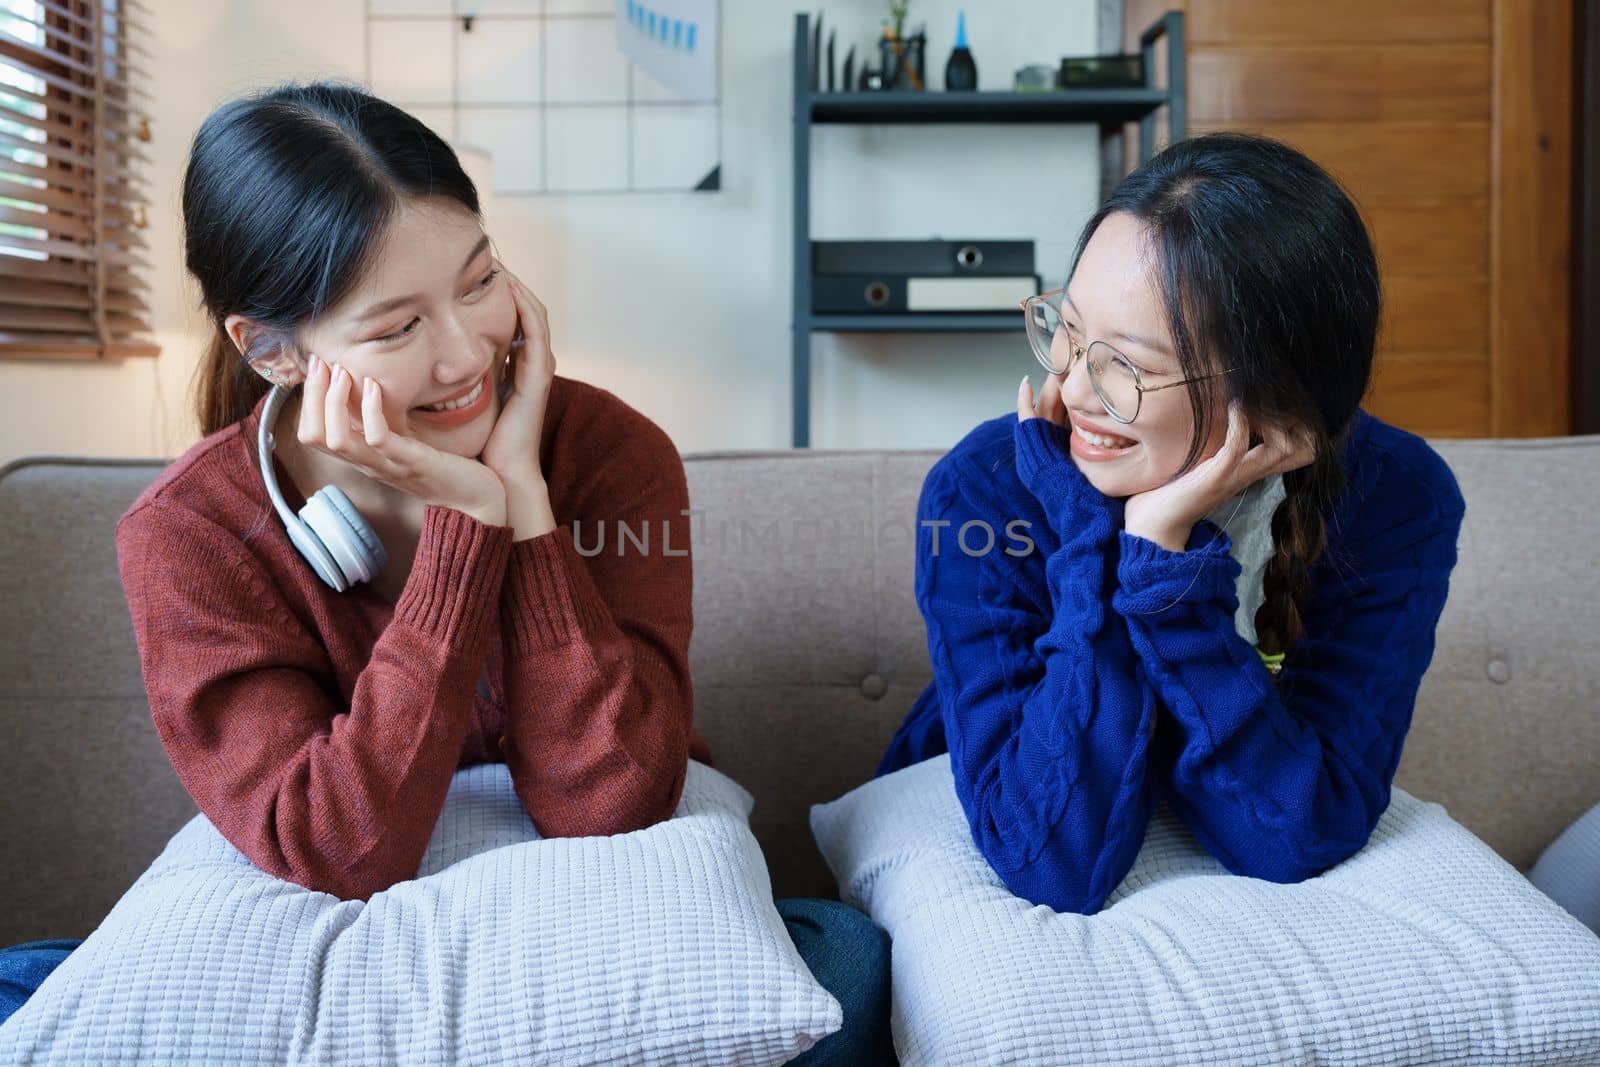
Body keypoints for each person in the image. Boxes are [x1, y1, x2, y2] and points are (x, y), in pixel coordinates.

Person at [0, 80, 892, 1063]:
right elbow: (341, 849)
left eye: (478, 282)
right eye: (397, 328)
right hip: (364, 905)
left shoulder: (607, 451)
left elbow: (608, 801)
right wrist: (467, 522)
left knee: (844, 964)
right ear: (272, 350)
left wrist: (525, 507)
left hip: (597, 908)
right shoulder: (190, 534)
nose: (469, 351)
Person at [876, 131, 1467, 916]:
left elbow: (1298, 831)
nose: (1075, 388)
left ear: (1278, 398)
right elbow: (1052, 861)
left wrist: (1162, 567)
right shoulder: (985, 490)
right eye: (1069, 330)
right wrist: (1095, 536)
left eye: (1128, 364)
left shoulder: (1398, 497)